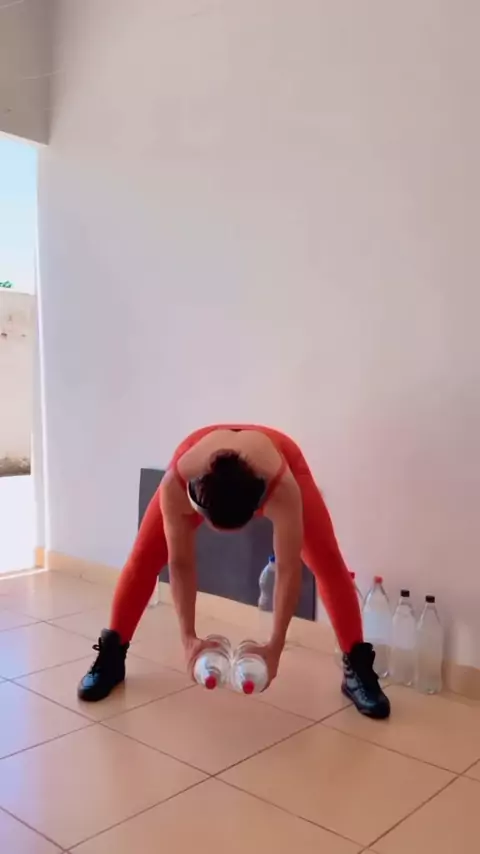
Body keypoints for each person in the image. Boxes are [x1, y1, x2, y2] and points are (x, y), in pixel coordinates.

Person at [78, 424, 390, 718]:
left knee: (327, 561)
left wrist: (275, 647)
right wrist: (188, 639)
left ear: (258, 505)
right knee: (143, 557)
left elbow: (288, 569)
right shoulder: (176, 483)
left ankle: (357, 668)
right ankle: (111, 658)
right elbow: (180, 563)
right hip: (199, 452)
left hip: (278, 454)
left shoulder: (282, 486)